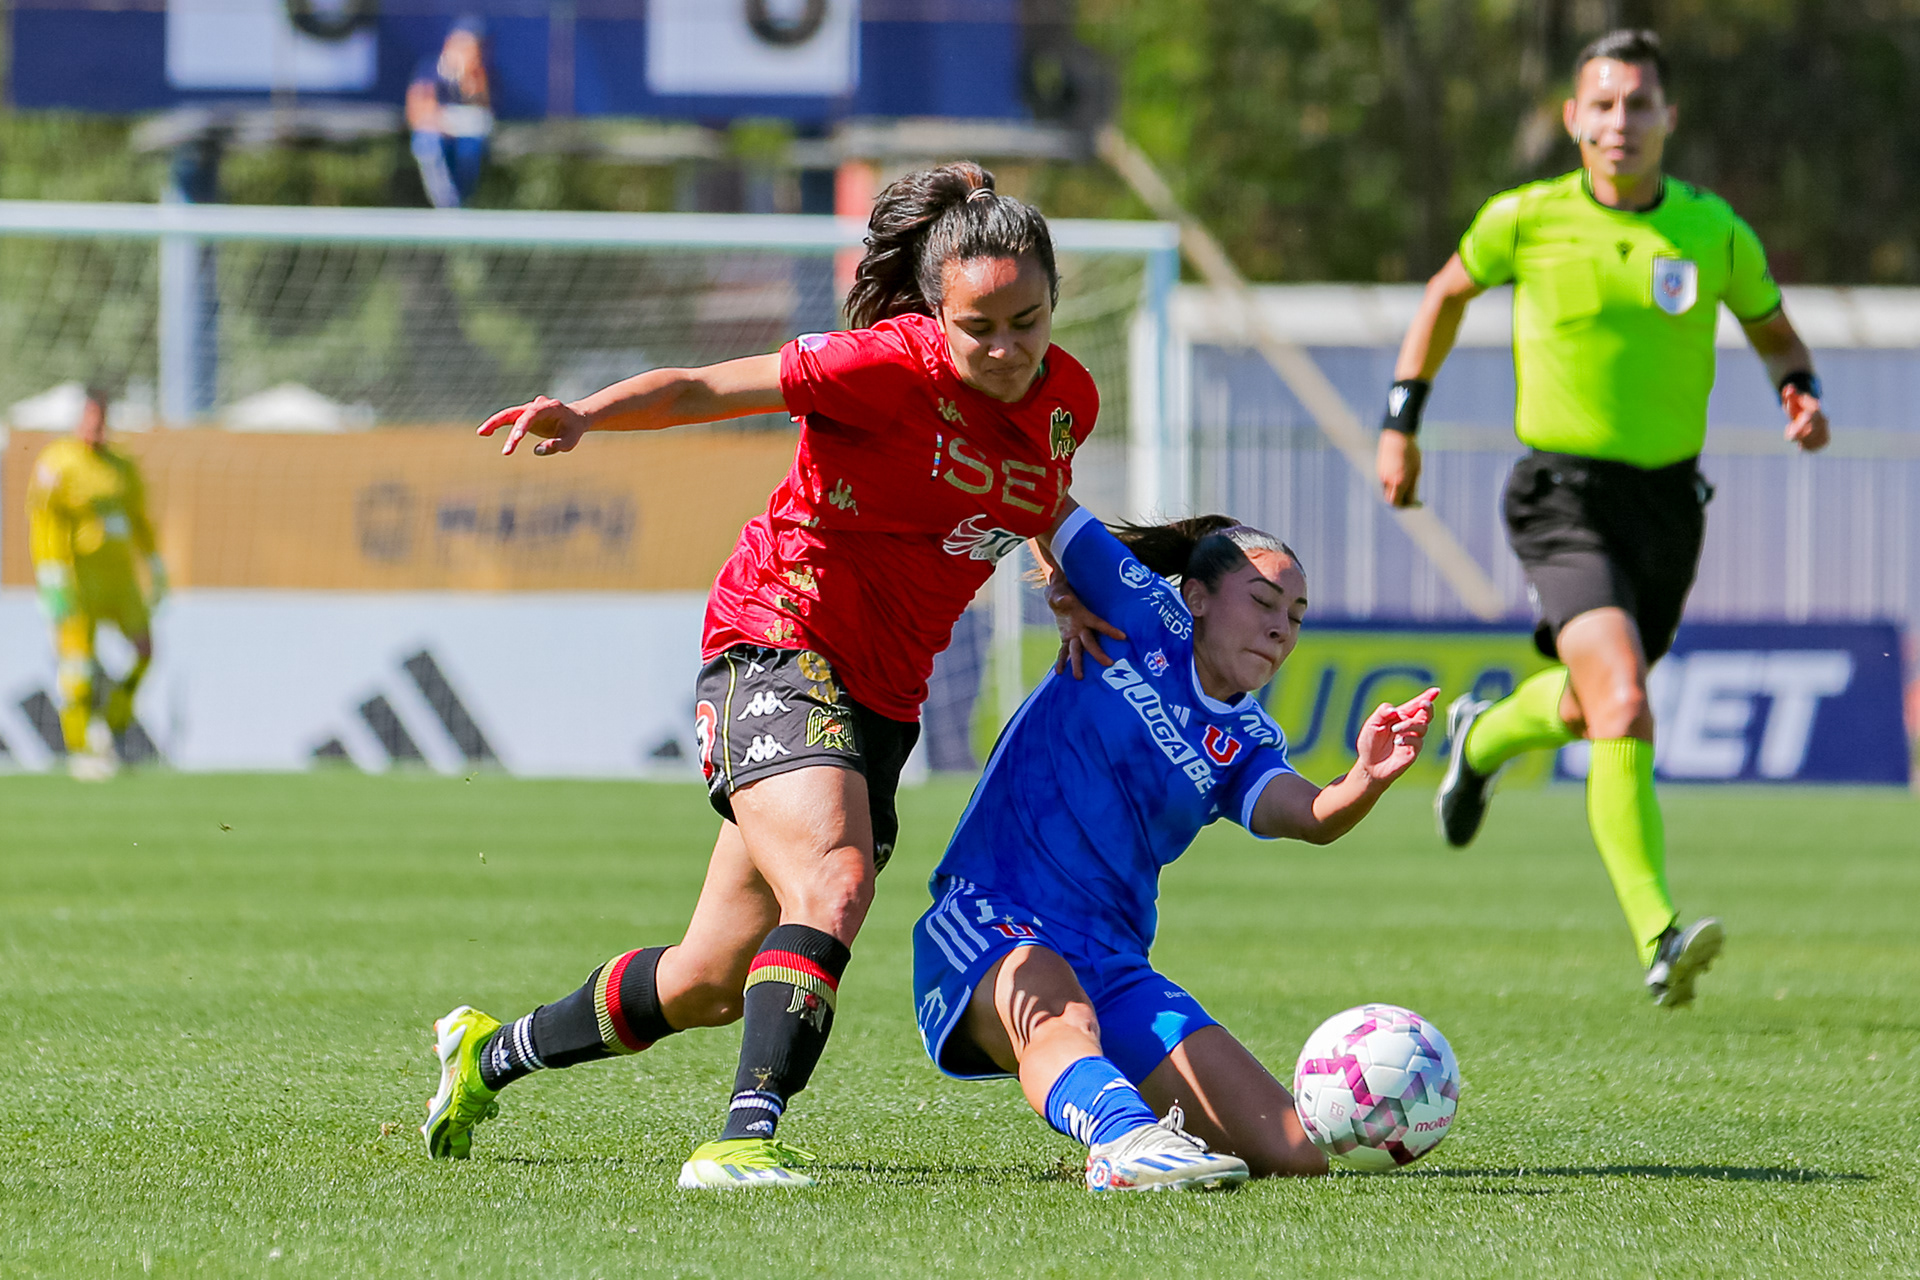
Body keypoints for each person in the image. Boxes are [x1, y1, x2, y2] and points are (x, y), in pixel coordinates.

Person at [423, 163, 1106, 1189]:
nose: (1007, 348)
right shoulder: (879, 366)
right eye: (980, 328)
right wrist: (589, 414)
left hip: (883, 696)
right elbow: (704, 388)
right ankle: (742, 1138)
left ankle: (488, 1053)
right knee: (835, 879)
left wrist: (1062, 581)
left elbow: (1041, 494)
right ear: (936, 313)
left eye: (1028, 320)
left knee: (705, 979)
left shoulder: (1069, 400)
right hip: (778, 638)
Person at [1374, 29, 1830, 1008]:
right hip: (1562, 496)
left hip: (1668, 508)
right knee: (1623, 702)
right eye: (1605, 103)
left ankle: (1482, 739)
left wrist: (1800, 391)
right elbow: (1444, 294)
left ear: (1669, 117)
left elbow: (1775, 332)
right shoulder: (1525, 217)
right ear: (1574, 118)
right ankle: (1660, 934)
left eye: (1640, 103)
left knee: (1593, 707)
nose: (1622, 120)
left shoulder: (1712, 231)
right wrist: (1401, 422)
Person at [914, 506, 1439, 1190]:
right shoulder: (1138, 609)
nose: (1281, 628)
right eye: (1263, 602)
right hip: (993, 916)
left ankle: (1123, 1116)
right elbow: (1041, 486)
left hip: (1112, 962)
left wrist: (1366, 776)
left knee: (1292, 1154)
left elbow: (1311, 815)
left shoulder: (1247, 740)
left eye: (1296, 616)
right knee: (1061, 1018)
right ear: (1196, 597)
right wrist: (1064, 588)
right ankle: (1120, 1139)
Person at [25, 386, 167, 780]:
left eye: (101, 420)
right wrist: (50, 575)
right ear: (78, 419)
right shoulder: (56, 464)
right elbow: (43, 522)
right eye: (90, 419)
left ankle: (114, 718)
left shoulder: (122, 464)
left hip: (120, 581)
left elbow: (139, 518)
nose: (96, 428)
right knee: (77, 667)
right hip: (77, 582)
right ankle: (81, 749)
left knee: (145, 651)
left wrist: (154, 564)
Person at [407, 17, 493, 210]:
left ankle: (462, 204)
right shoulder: (430, 69)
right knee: (428, 143)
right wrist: (443, 121)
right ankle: (446, 205)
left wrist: (470, 83)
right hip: (435, 134)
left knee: (470, 146)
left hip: (463, 137)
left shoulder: (478, 74)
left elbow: (483, 114)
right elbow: (416, 112)